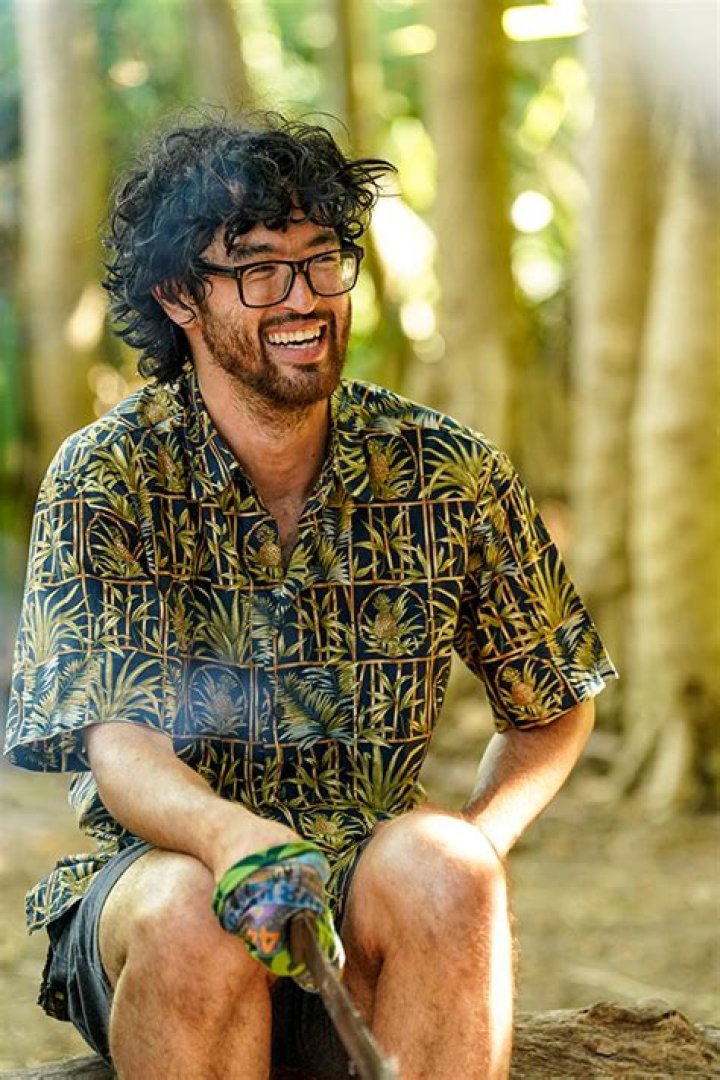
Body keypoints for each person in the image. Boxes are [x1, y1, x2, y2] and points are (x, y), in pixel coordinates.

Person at [4, 113, 616, 1080]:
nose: (303, 298)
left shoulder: (445, 470)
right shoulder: (108, 476)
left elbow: (555, 701)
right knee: (192, 915)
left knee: (444, 868)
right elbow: (123, 748)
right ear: (178, 296)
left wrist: (465, 861)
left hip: (367, 903)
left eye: (321, 259)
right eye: (258, 270)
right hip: (160, 886)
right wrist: (229, 838)